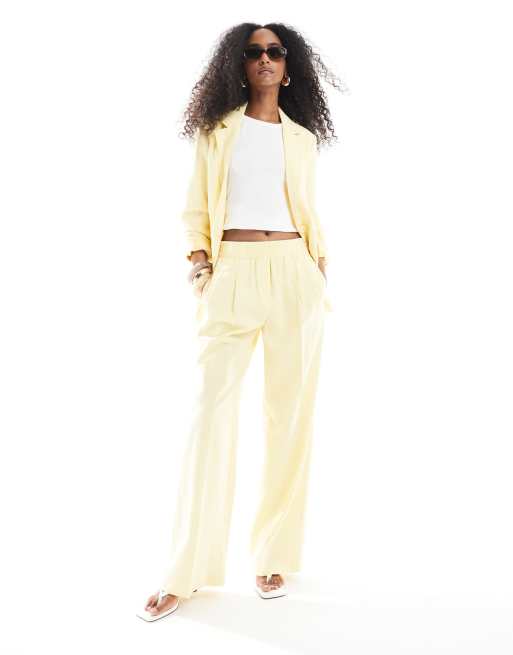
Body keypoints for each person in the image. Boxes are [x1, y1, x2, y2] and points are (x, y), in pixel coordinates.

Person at [137, 21, 345, 622]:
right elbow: (195, 209)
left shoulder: (301, 138)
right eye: (254, 52)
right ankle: (185, 570)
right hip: (232, 272)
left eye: (275, 51)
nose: (265, 59)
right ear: (239, 62)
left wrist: (318, 268)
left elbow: (307, 208)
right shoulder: (217, 131)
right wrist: (201, 267)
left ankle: (273, 554)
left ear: (289, 65)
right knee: (211, 417)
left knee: (288, 417)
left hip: (294, 272)